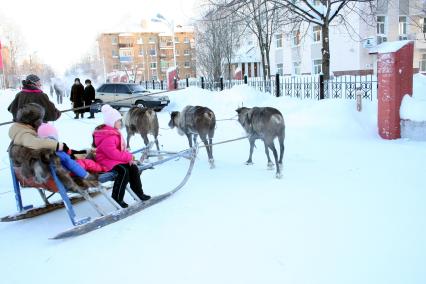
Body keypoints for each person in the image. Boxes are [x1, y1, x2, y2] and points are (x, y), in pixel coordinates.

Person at [93, 105, 151, 208]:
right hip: (105, 160)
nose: (121, 123)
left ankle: (138, 192)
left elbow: (120, 150)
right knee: (123, 171)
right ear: (112, 122)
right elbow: (112, 153)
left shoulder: (114, 132)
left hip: (113, 160)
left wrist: (128, 157)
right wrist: (128, 157)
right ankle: (117, 197)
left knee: (133, 168)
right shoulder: (108, 135)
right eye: (119, 120)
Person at [37, 123, 107, 174]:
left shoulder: (44, 150)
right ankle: (102, 168)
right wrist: (86, 175)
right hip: (71, 169)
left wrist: (79, 153)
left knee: (86, 151)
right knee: (88, 162)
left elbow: (69, 152)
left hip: (68, 163)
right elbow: (70, 163)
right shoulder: (57, 151)